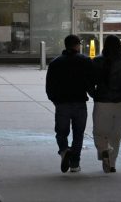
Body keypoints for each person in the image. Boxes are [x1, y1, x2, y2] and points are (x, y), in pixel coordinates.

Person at [46, 34, 93, 173]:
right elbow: (90, 82)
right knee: (78, 134)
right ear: (78, 45)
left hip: (62, 103)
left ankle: (64, 150)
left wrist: (55, 100)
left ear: (65, 45)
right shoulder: (85, 61)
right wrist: (93, 94)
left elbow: (49, 86)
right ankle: (74, 164)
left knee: (61, 132)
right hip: (79, 102)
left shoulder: (55, 63)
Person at [92, 35, 121, 173]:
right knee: (116, 135)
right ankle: (111, 164)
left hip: (102, 101)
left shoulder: (97, 61)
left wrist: (95, 94)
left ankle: (104, 149)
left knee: (99, 132)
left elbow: (89, 81)